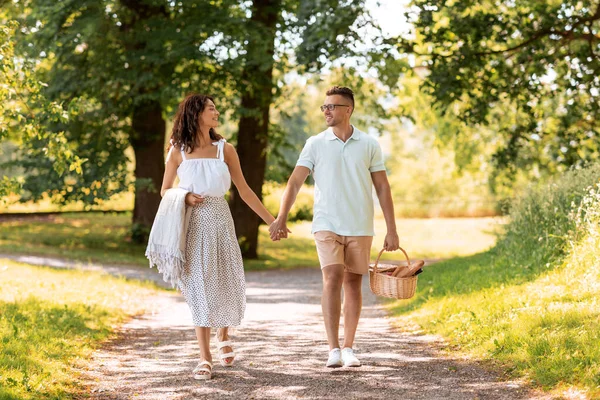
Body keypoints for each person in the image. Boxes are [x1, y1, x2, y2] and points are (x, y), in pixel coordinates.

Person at [269, 86, 400, 368]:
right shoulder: (315, 143)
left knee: (353, 283)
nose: (327, 110)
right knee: (331, 279)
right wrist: (282, 217)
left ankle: (349, 348)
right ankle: (333, 349)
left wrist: (392, 229)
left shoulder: (369, 144)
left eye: (333, 106)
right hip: (326, 223)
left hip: (360, 225)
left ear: (348, 110)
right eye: (324, 106)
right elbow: (294, 182)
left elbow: (382, 187)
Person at [158, 93, 278, 380]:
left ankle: (224, 334)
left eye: (216, 108)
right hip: (192, 223)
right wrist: (184, 197)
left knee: (225, 278)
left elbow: (245, 191)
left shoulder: (226, 149)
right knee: (198, 283)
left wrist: (272, 221)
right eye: (211, 108)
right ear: (196, 114)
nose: (217, 112)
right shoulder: (177, 150)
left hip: (221, 220)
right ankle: (204, 356)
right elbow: (164, 190)